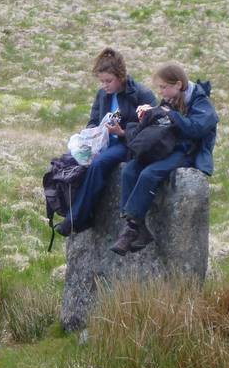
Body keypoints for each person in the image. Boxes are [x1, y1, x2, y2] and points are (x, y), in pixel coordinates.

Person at [109, 62, 218, 255]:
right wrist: (149, 115)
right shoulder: (171, 100)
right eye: (159, 87)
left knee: (150, 174)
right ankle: (137, 227)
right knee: (130, 170)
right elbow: (161, 125)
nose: (161, 92)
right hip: (165, 148)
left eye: (164, 87)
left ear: (178, 84)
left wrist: (171, 115)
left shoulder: (202, 103)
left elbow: (197, 129)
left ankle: (131, 229)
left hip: (187, 152)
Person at [54, 48, 156, 237]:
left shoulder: (141, 94)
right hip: (106, 143)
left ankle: (75, 219)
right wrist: (90, 138)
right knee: (70, 162)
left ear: (121, 76)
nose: (105, 86)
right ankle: (71, 211)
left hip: (128, 145)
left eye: (108, 81)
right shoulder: (103, 95)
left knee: (99, 163)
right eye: (102, 81)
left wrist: (123, 132)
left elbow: (152, 130)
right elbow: (94, 119)